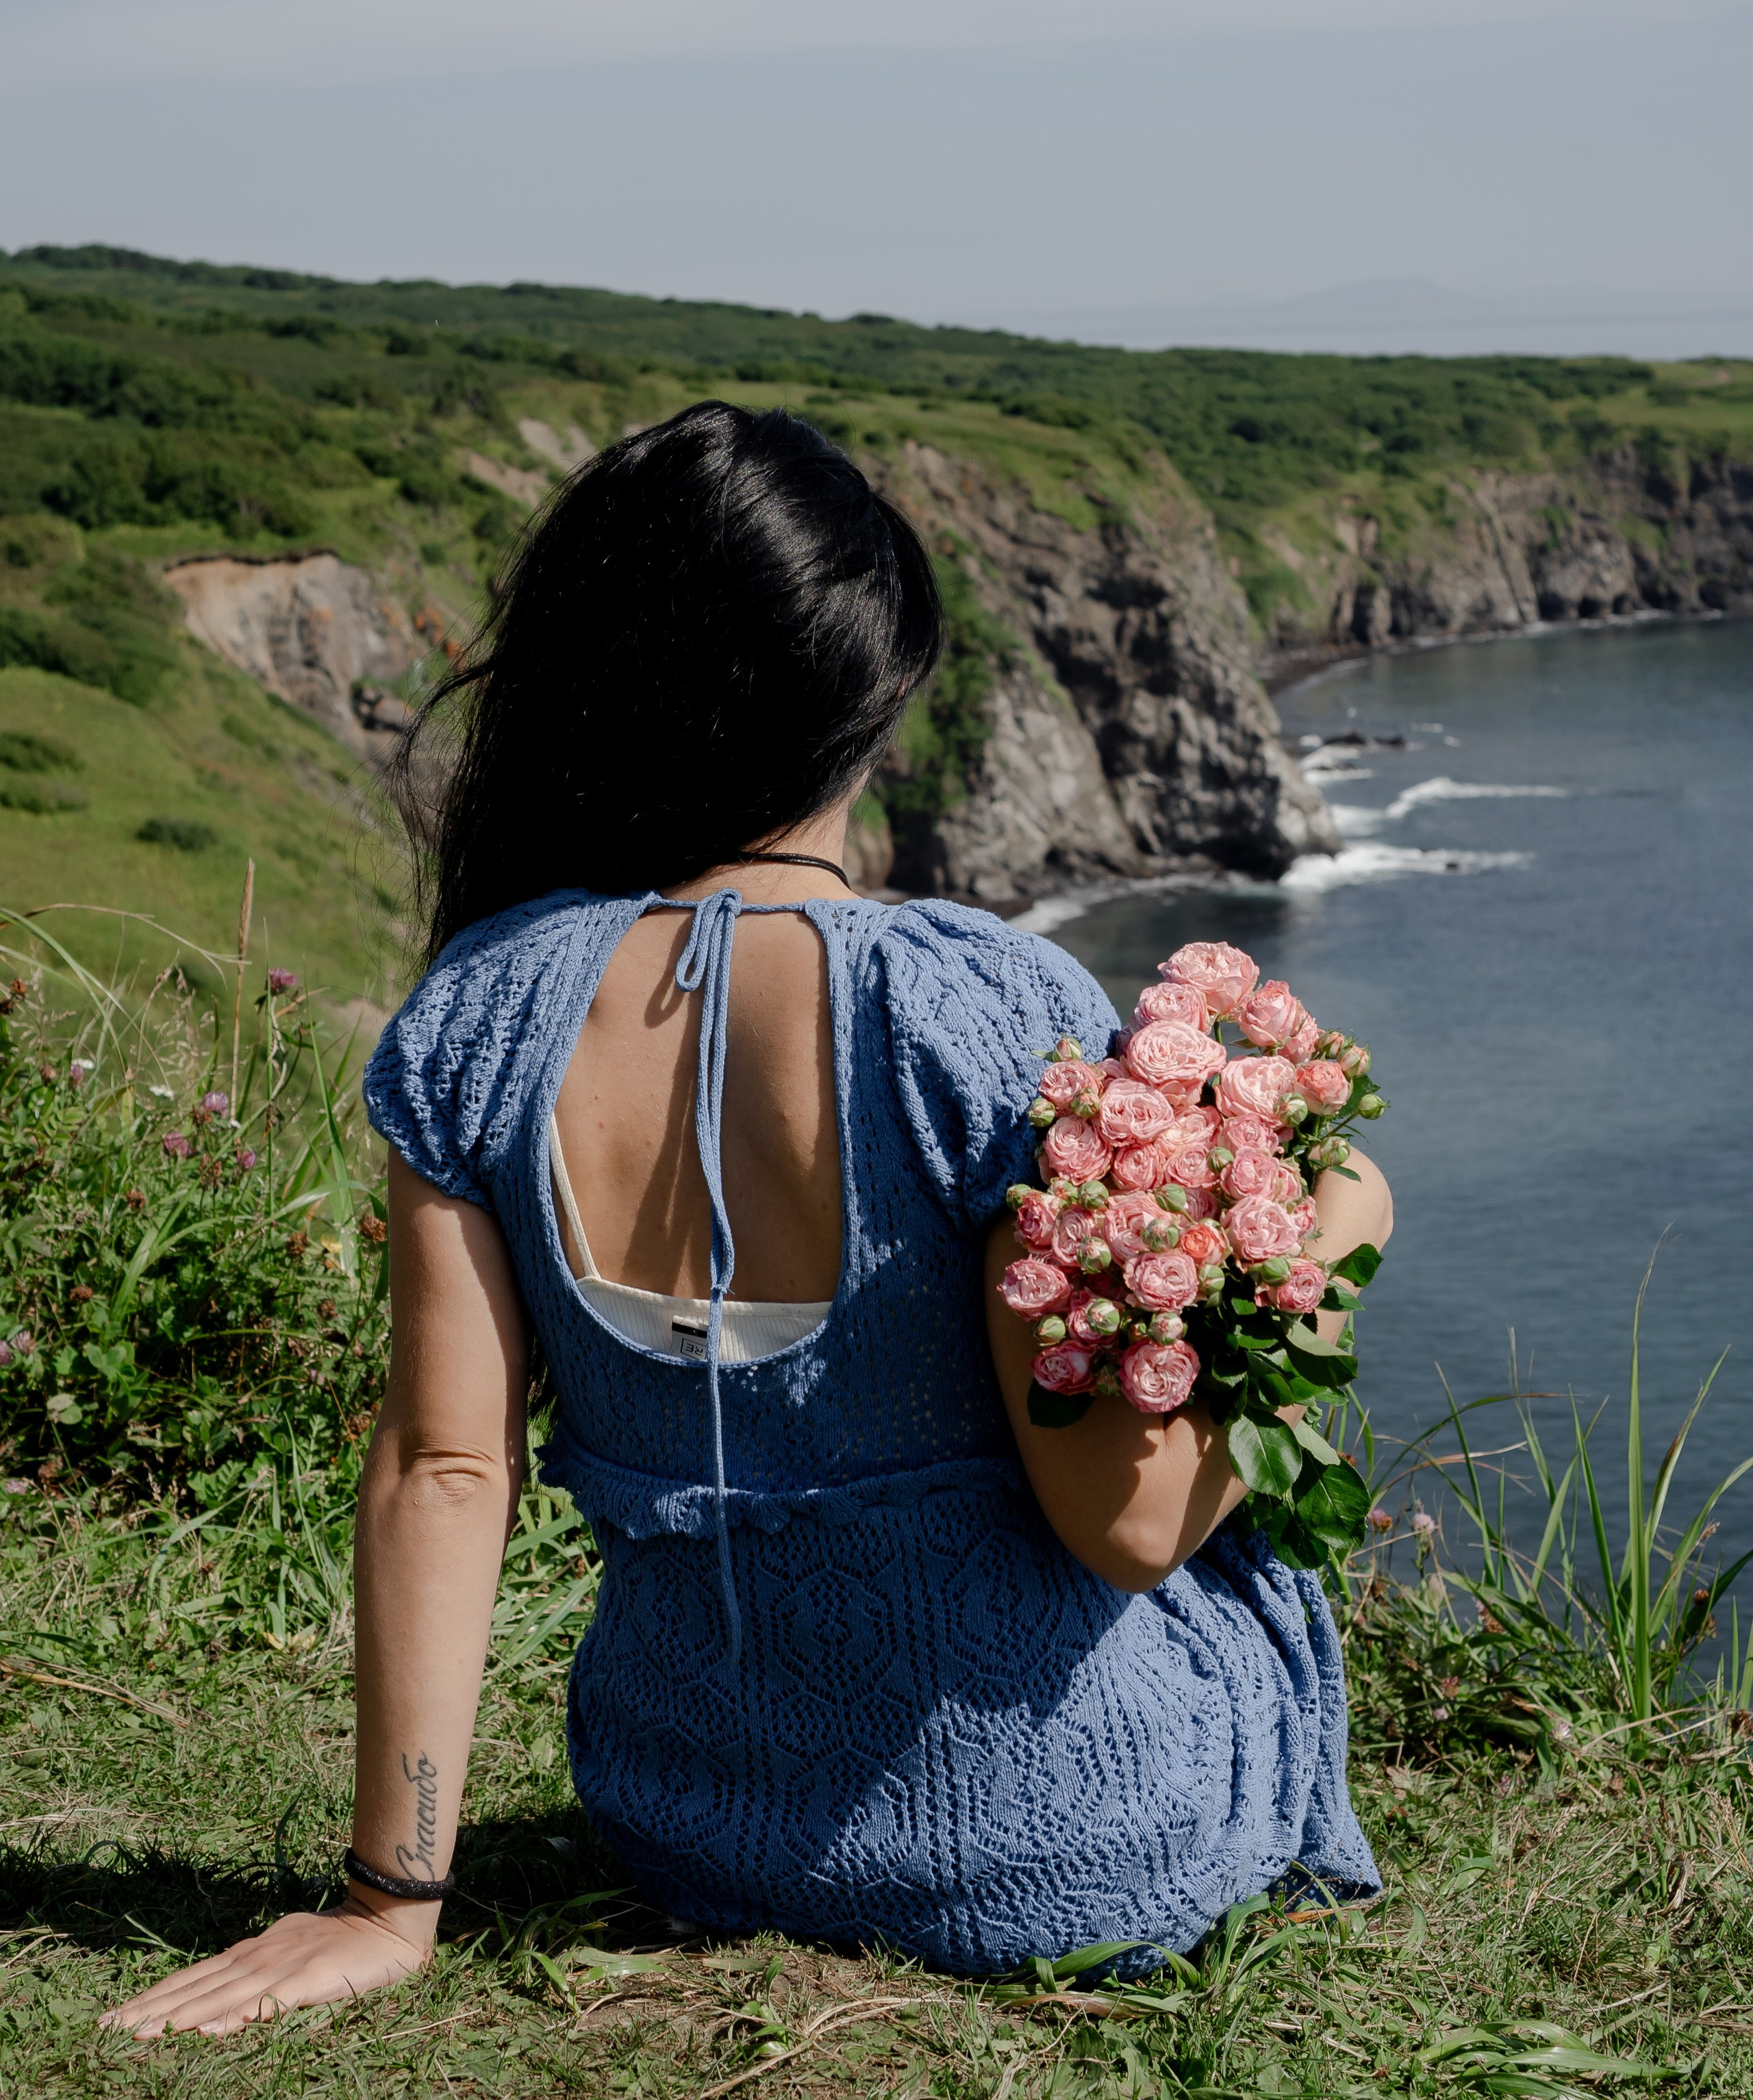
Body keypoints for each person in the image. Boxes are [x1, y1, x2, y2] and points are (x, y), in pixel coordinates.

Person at [105, 401, 1387, 2040]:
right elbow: (1125, 1524)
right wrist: (1329, 1219)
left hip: (687, 1828)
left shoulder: (474, 1019)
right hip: (1070, 1844)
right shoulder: (973, 1012)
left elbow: (443, 1468)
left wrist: (389, 1895)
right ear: (871, 695)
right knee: (1241, 1572)